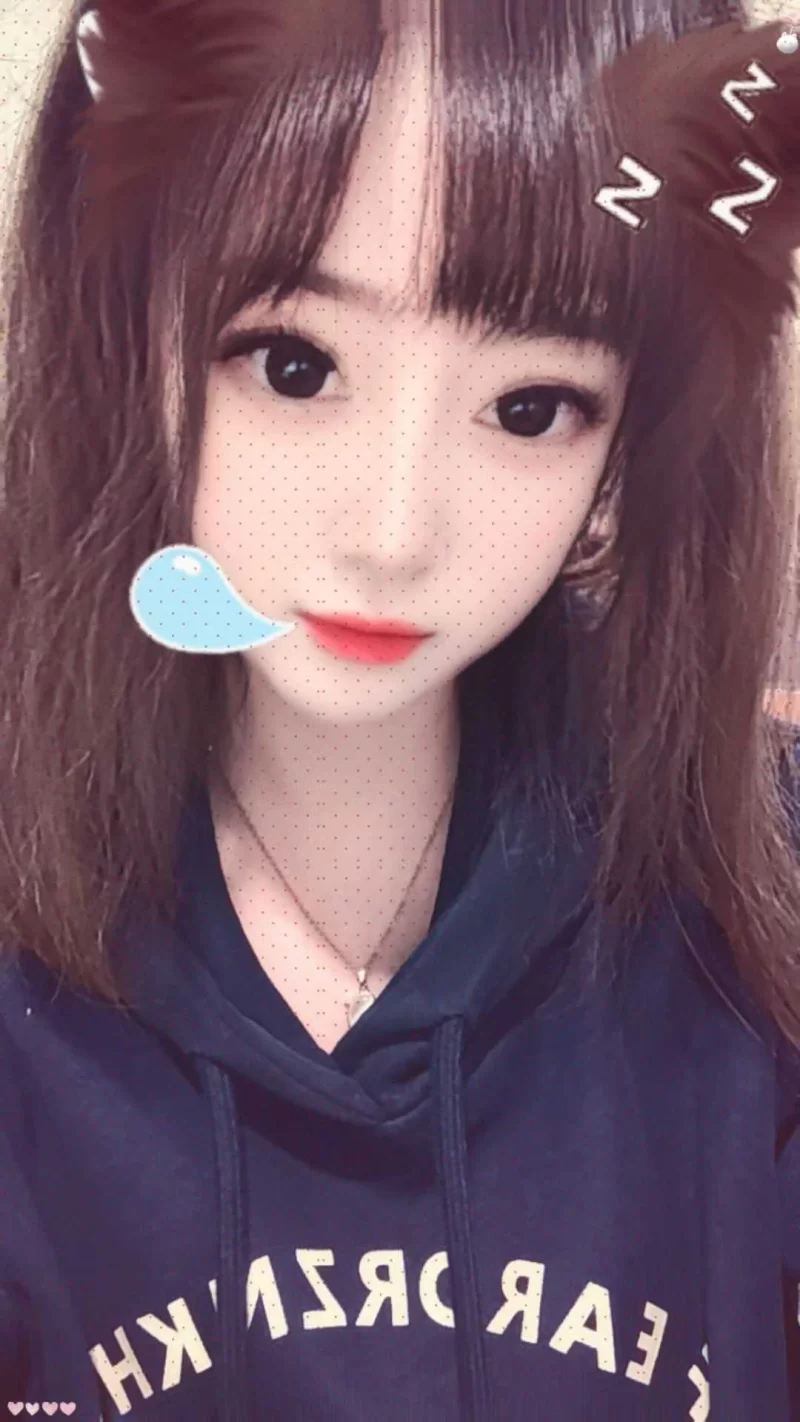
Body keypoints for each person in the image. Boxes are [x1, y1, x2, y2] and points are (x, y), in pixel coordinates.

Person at [2, 0, 800, 1416]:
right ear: (126, 331)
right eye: (294, 363)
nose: (392, 533)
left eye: (533, 405)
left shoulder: (760, 895)